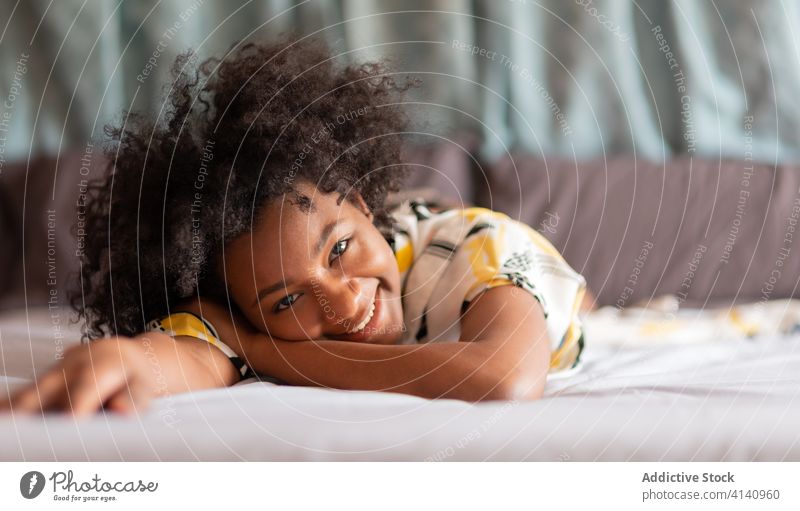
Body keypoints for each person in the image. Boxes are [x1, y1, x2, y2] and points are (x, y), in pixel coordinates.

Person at [2, 36, 589, 415]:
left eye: (338, 249)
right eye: (285, 301)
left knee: (561, 295)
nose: (338, 303)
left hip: (478, 252)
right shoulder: (235, 303)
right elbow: (196, 350)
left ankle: (583, 297)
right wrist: (132, 361)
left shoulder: (477, 249)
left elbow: (504, 378)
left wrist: (262, 350)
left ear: (360, 202)